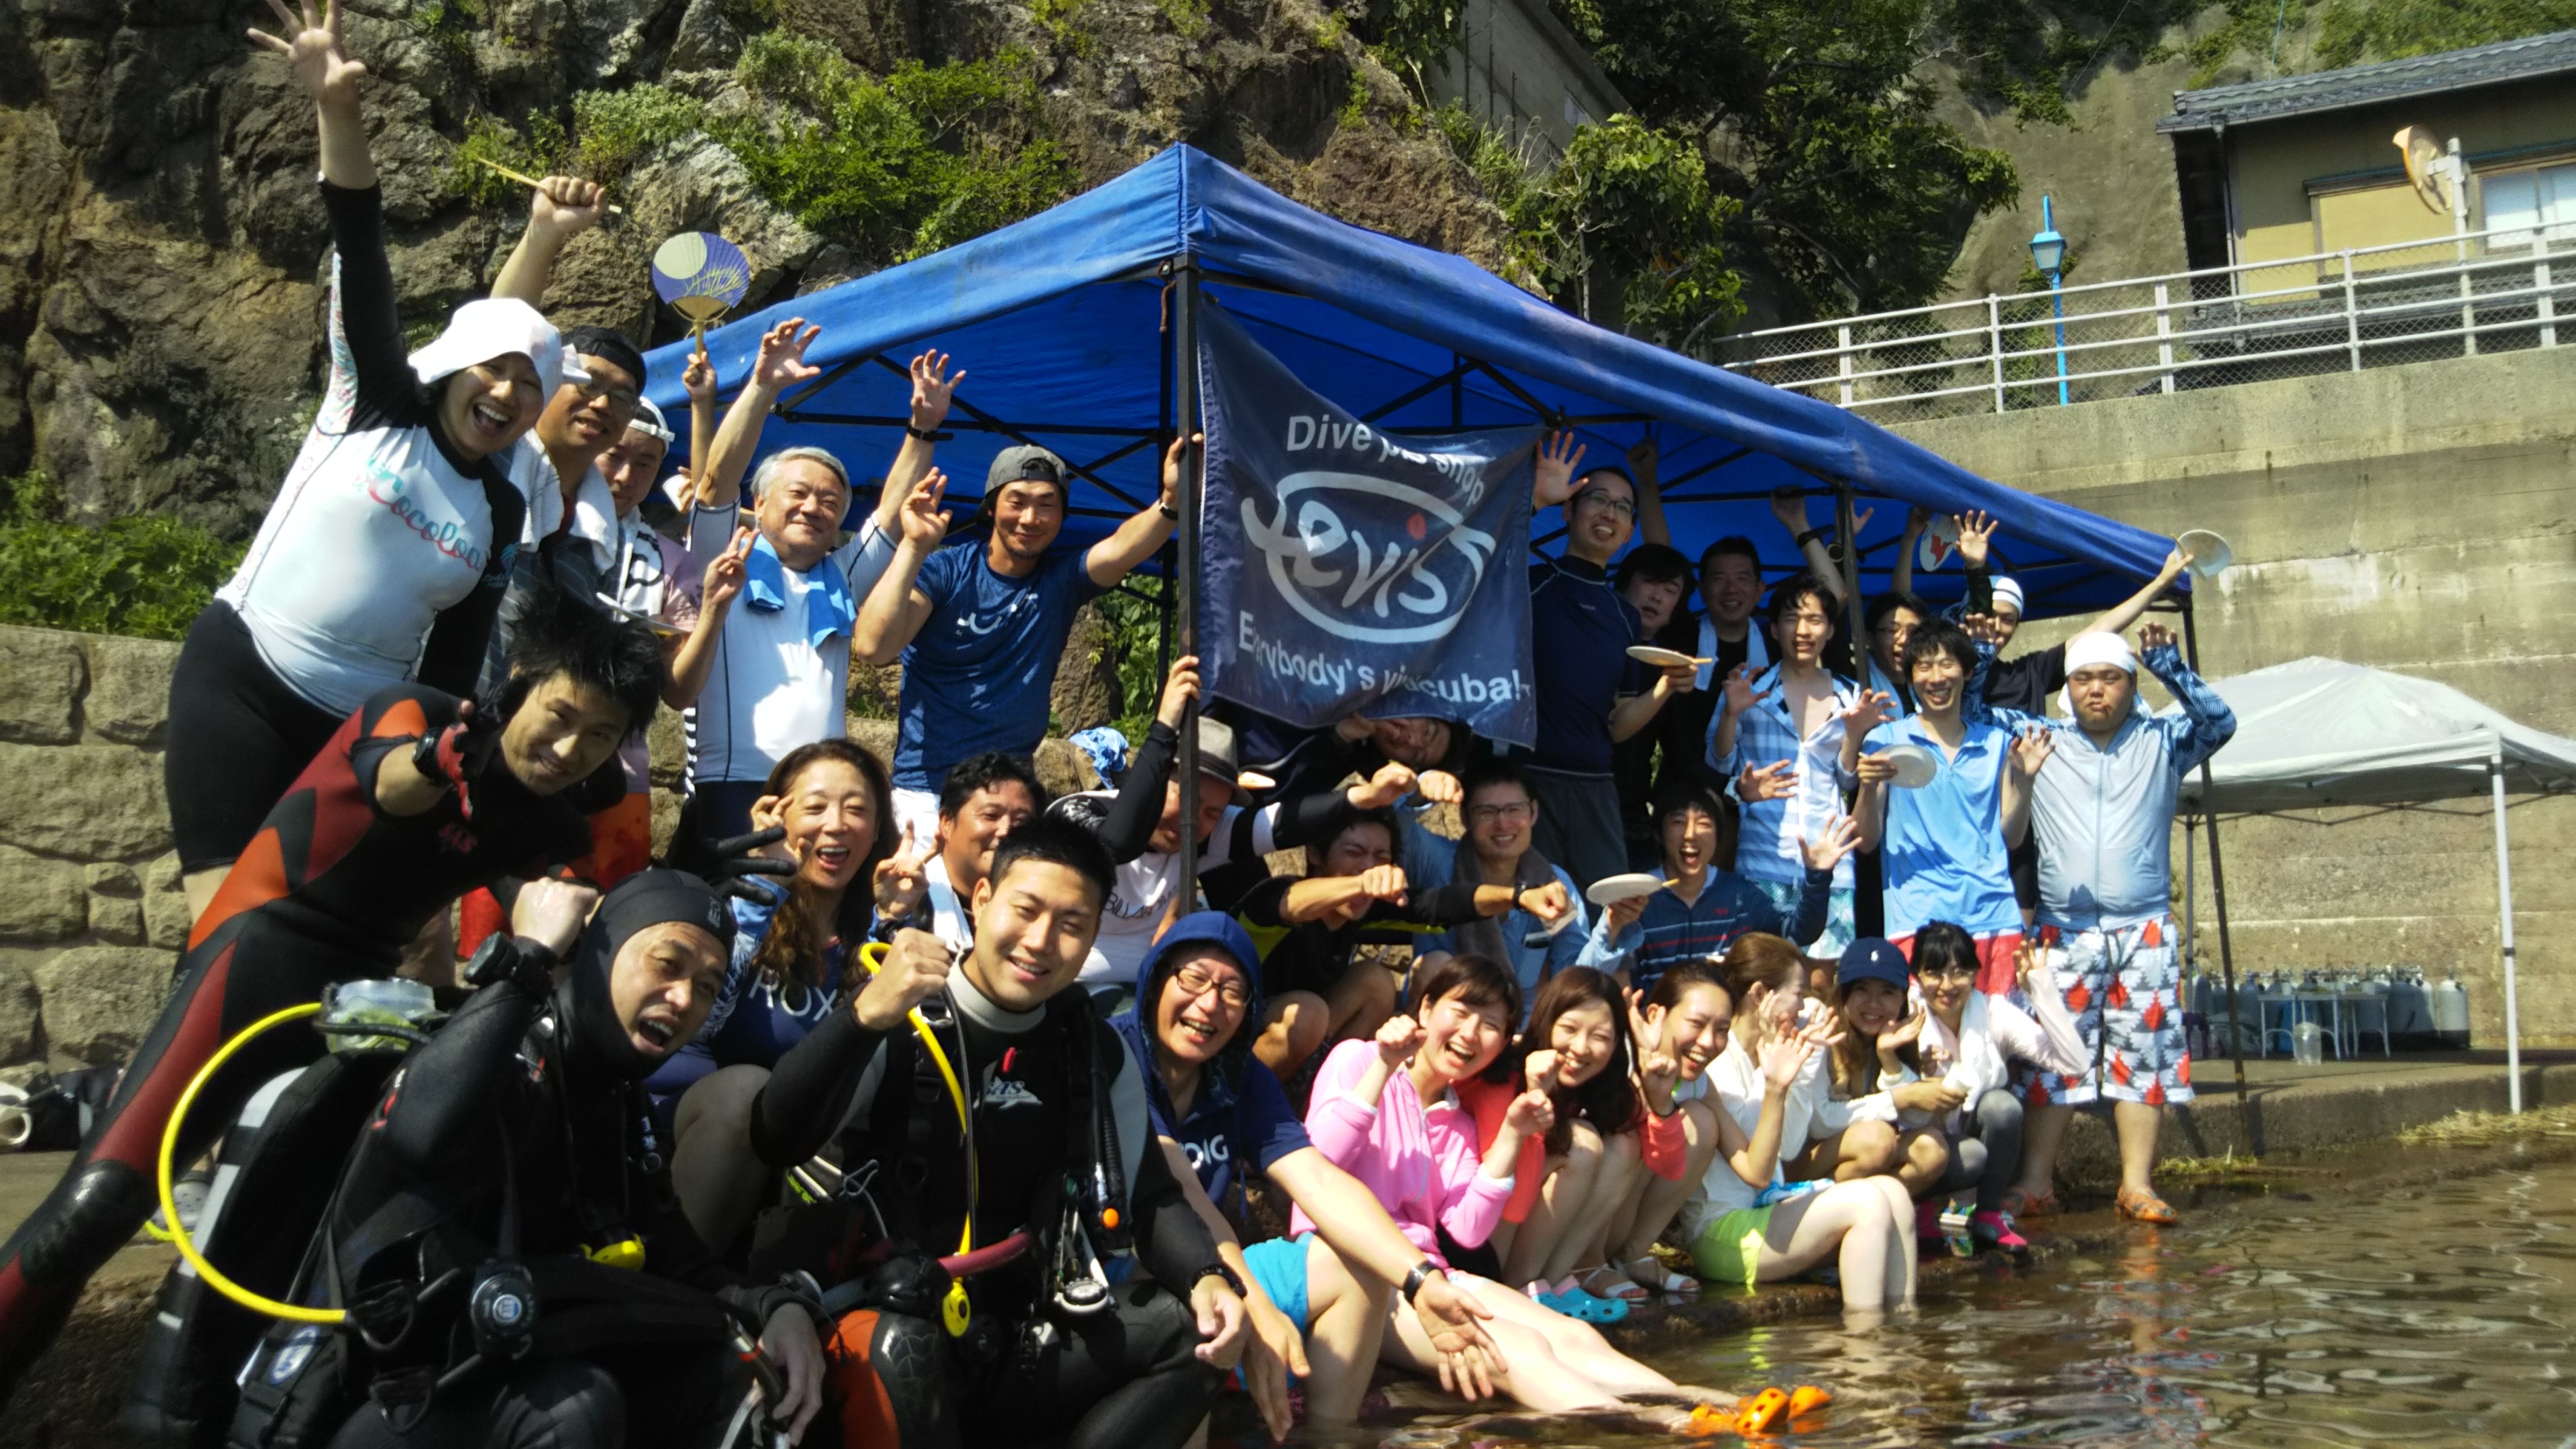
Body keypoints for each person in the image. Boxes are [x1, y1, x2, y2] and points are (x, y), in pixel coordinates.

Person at [0, 580, 664, 1399]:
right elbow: (390, 785)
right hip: (256, 957)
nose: (568, 750)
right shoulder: (416, 713)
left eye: (600, 738)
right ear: (521, 681)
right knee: (99, 1202)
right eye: (560, 717)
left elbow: (562, 906)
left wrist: (652, 914)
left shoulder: (550, 822)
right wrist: (440, 757)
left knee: (272, 1237)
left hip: (352, 1007)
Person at [163, 0, 594, 921]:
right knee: (225, 926)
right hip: (242, 678)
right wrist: (336, 105)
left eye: (531, 387)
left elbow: (451, 669)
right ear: (453, 367)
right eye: (494, 371)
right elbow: (360, 240)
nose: (508, 393)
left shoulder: (502, 509)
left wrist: (428, 756)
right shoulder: (374, 401)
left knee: (336, 932)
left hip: (358, 731)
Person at [742, 817, 1252, 1449]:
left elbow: (1149, 1197)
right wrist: (862, 1017)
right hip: (884, 1325)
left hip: (1017, 1340)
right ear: (982, 901)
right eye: (1026, 910)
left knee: (1200, 1333)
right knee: (905, 1349)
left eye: (1072, 925)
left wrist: (1207, 1276)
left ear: (1095, 935)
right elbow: (776, 1137)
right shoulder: (900, 1016)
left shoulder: (1090, 1050)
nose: (1041, 942)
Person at [306, 869, 828, 1449]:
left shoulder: (612, 1100)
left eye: (707, 986)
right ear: (602, 953)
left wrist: (774, 1306)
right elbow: (417, 1138)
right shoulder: (498, 1057)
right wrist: (529, 958)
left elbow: (682, 1269)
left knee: (736, 1374)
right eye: (667, 963)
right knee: (574, 1408)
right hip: (372, 1398)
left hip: (488, 1381)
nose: (684, 998)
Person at [1114, 913, 1505, 1434]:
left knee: (1356, 1264)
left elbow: (1318, 1179)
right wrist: (1255, 1305)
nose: (1209, 1005)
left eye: (1232, 992)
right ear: (1156, 980)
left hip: (1215, 1268)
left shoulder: (1238, 1074)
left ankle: (1331, 1437)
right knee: (1205, 1323)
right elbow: (1183, 1196)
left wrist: (1421, 1281)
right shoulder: (1118, 1056)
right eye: (1194, 979)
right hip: (1126, 1278)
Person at [1299, 956, 1722, 1425]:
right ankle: (1651, 1424)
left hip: (1434, 1272)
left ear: (1503, 1043)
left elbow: (1467, 1230)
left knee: (1572, 1337)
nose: (1470, 1033)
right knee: (1519, 1350)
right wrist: (1384, 1065)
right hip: (1359, 1276)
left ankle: (1694, 1399)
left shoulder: (1457, 1119)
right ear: (1426, 1009)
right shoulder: (1358, 1058)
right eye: (1461, 1013)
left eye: (1490, 1026)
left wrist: (1511, 1134)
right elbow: (1317, 1162)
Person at [1975, 623, 2235, 1227]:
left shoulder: (2163, 740)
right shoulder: (2039, 737)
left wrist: (2171, 667)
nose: (2097, 690)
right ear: (2066, 688)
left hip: (2144, 929)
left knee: (2144, 1057)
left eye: (2112, 678)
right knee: (2050, 1058)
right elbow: (1972, 711)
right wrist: (1983, 654)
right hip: (2062, 930)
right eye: (2084, 679)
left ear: (2132, 685)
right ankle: (2035, 1184)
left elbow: (2220, 723)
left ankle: (2136, 1185)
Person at [677, 323, 957, 855]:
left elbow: (891, 517)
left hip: (822, 789)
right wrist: (762, 387)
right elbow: (715, 485)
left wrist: (922, 429)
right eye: (799, 494)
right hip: (734, 786)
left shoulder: (840, 578)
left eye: (830, 502)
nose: (813, 508)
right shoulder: (725, 558)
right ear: (759, 504)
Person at [855, 431, 1186, 842]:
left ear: (1062, 517)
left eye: (1047, 505)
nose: (1030, 518)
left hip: (1013, 800)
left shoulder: (1061, 581)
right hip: (927, 795)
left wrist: (1170, 500)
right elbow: (872, 647)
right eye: (1017, 502)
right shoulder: (946, 572)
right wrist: (913, 546)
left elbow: (1122, 548)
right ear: (991, 508)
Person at [651, 739, 903, 1252]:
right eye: (815, 807)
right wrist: (765, 888)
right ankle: (678, 1274)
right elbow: (697, 1023)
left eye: (856, 810)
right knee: (746, 1091)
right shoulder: (725, 908)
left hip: (787, 1155)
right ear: (775, 817)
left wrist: (892, 924)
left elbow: (869, 1063)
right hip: (683, 1126)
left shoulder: (878, 933)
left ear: (877, 830)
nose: (836, 824)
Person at [1055, 656, 1415, 991]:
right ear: (1159, 779)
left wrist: (1365, 798)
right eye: (1188, 799)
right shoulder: (1078, 813)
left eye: (1213, 812)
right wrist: (1163, 731)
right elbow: (1115, 845)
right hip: (1062, 985)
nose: (1195, 820)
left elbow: (1279, 825)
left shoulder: (1206, 836)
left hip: (1147, 992)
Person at [1674, 936, 1917, 1314]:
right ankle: (1866, 1339)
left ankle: (1905, 1324)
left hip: (1769, 1211)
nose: (1803, 1006)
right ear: (1760, 994)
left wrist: (1805, 1061)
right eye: (1798, 994)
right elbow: (1759, 1160)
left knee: (1893, 1193)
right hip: (1723, 1234)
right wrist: (1773, 1080)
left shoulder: (1774, 1049)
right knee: (1867, 1202)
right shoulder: (1717, 1061)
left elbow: (1787, 1147)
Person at [1518, 435, 1695, 890]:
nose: (1609, 513)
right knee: (1532, 914)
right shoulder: (1528, 584)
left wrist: (1664, 687)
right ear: (1568, 511)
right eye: (1597, 499)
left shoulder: (1624, 616)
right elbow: (1481, 557)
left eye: (1621, 507)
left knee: (1613, 914)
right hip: (1526, 780)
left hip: (1597, 784)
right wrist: (1533, 501)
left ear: (1630, 530)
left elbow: (1617, 724)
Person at [1467, 969, 1693, 1310]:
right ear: (1546, 1023)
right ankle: (1520, 1284)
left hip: (1521, 1227)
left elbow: (1670, 1167)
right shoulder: (1506, 1073)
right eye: (1569, 1029)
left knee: (1624, 1146)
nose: (1581, 1048)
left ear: (1616, 1044)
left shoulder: (1605, 1087)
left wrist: (1659, 1101)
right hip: (1481, 1234)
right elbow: (1502, 1182)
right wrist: (1537, 1093)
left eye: (1600, 1037)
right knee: (1583, 1144)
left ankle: (1554, 1281)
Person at [1846, 617, 2051, 992]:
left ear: (1967, 672)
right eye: (1924, 667)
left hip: (1994, 917)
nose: (1936, 678)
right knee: (1927, 1031)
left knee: (1997, 1027)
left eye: (1947, 664)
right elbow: (1867, 840)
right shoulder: (1885, 741)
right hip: (1918, 921)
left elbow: (2011, 837)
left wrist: (2025, 781)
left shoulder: (1997, 744)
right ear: (1910, 678)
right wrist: (1868, 786)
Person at [1706, 574, 1883, 956]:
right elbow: (1718, 761)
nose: (1803, 631)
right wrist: (1731, 714)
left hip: (1830, 858)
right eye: (1791, 619)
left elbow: (1847, 780)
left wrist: (1854, 734)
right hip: (1763, 858)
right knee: (1763, 969)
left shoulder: (1850, 697)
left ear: (1830, 630)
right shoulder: (1751, 688)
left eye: (1815, 620)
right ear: (1774, 628)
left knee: (1822, 977)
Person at [1910, 924, 2088, 1252]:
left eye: (1959, 972)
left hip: (1970, 1143)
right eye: (1934, 973)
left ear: (1976, 974)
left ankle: (1988, 1213)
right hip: (1922, 1149)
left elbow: (2075, 1064)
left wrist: (2040, 989)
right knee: (1950, 1142)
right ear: (1917, 977)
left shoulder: (1994, 1013)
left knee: (2003, 1107)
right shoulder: (1905, 1019)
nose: (1947, 986)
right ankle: (1919, 1212)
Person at [1587, 776, 1854, 994]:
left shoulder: (1740, 897)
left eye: (1704, 824)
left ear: (1718, 836)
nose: (1690, 834)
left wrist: (1818, 875)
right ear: (1658, 832)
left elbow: (1798, 933)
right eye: (1678, 822)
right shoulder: (1638, 899)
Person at [1397, 757, 1608, 1012]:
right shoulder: (1439, 862)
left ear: (1533, 813)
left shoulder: (1553, 881)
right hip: (1444, 1016)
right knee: (1435, 962)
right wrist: (1418, 793)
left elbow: (1573, 970)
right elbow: (1395, 833)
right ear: (1465, 817)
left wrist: (1612, 928)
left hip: (1520, 1021)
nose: (1503, 824)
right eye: (1487, 812)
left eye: (1514, 810)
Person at [1818, 938, 1955, 1236]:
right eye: (1861, 990)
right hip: (1810, 1159)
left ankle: (1875, 1218)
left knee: (1932, 1149)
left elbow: (1916, 1119)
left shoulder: (1897, 1035)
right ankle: (1826, 1222)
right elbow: (1820, 1122)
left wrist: (1889, 1057)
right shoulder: (1824, 1036)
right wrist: (1900, 1097)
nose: (1873, 1004)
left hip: (1863, 1151)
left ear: (1902, 999)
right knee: (1878, 1142)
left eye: (1887, 992)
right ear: (1842, 993)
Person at [895, 749, 1046, 950]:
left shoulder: (1042, 916)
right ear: (947, 822)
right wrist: (891, 915)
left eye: (1021, 822)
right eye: (991, 815)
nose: (1006, 830)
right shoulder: (908, 900)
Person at [1609, 543, 1697, 870]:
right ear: (1622, 584)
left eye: (1670, 590)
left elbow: (1679, 748)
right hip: (1570, 790)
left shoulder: (1670, 660)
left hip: (1631, 804)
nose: (1657, 596)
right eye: (1649, 582)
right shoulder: (1591, 640)